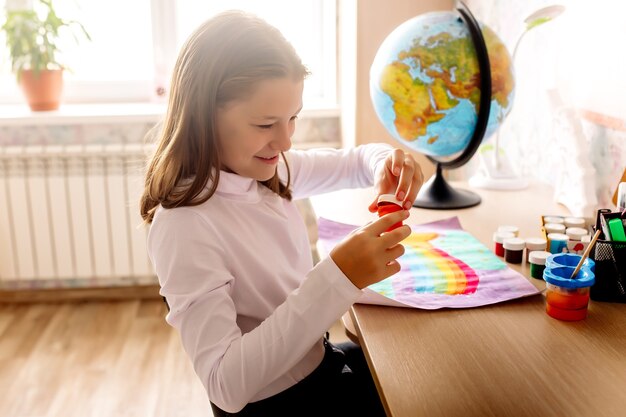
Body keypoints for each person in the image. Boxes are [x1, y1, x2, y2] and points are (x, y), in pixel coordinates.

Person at [140, 10, 423, 417]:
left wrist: (387, 164)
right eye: (266, 123)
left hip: (316, 365)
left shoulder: (266, 169)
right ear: (203, 116)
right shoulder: (185, 224)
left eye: (293, 118)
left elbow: (358, 161)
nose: (286, 139)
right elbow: (225, 384)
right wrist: (338, 276)